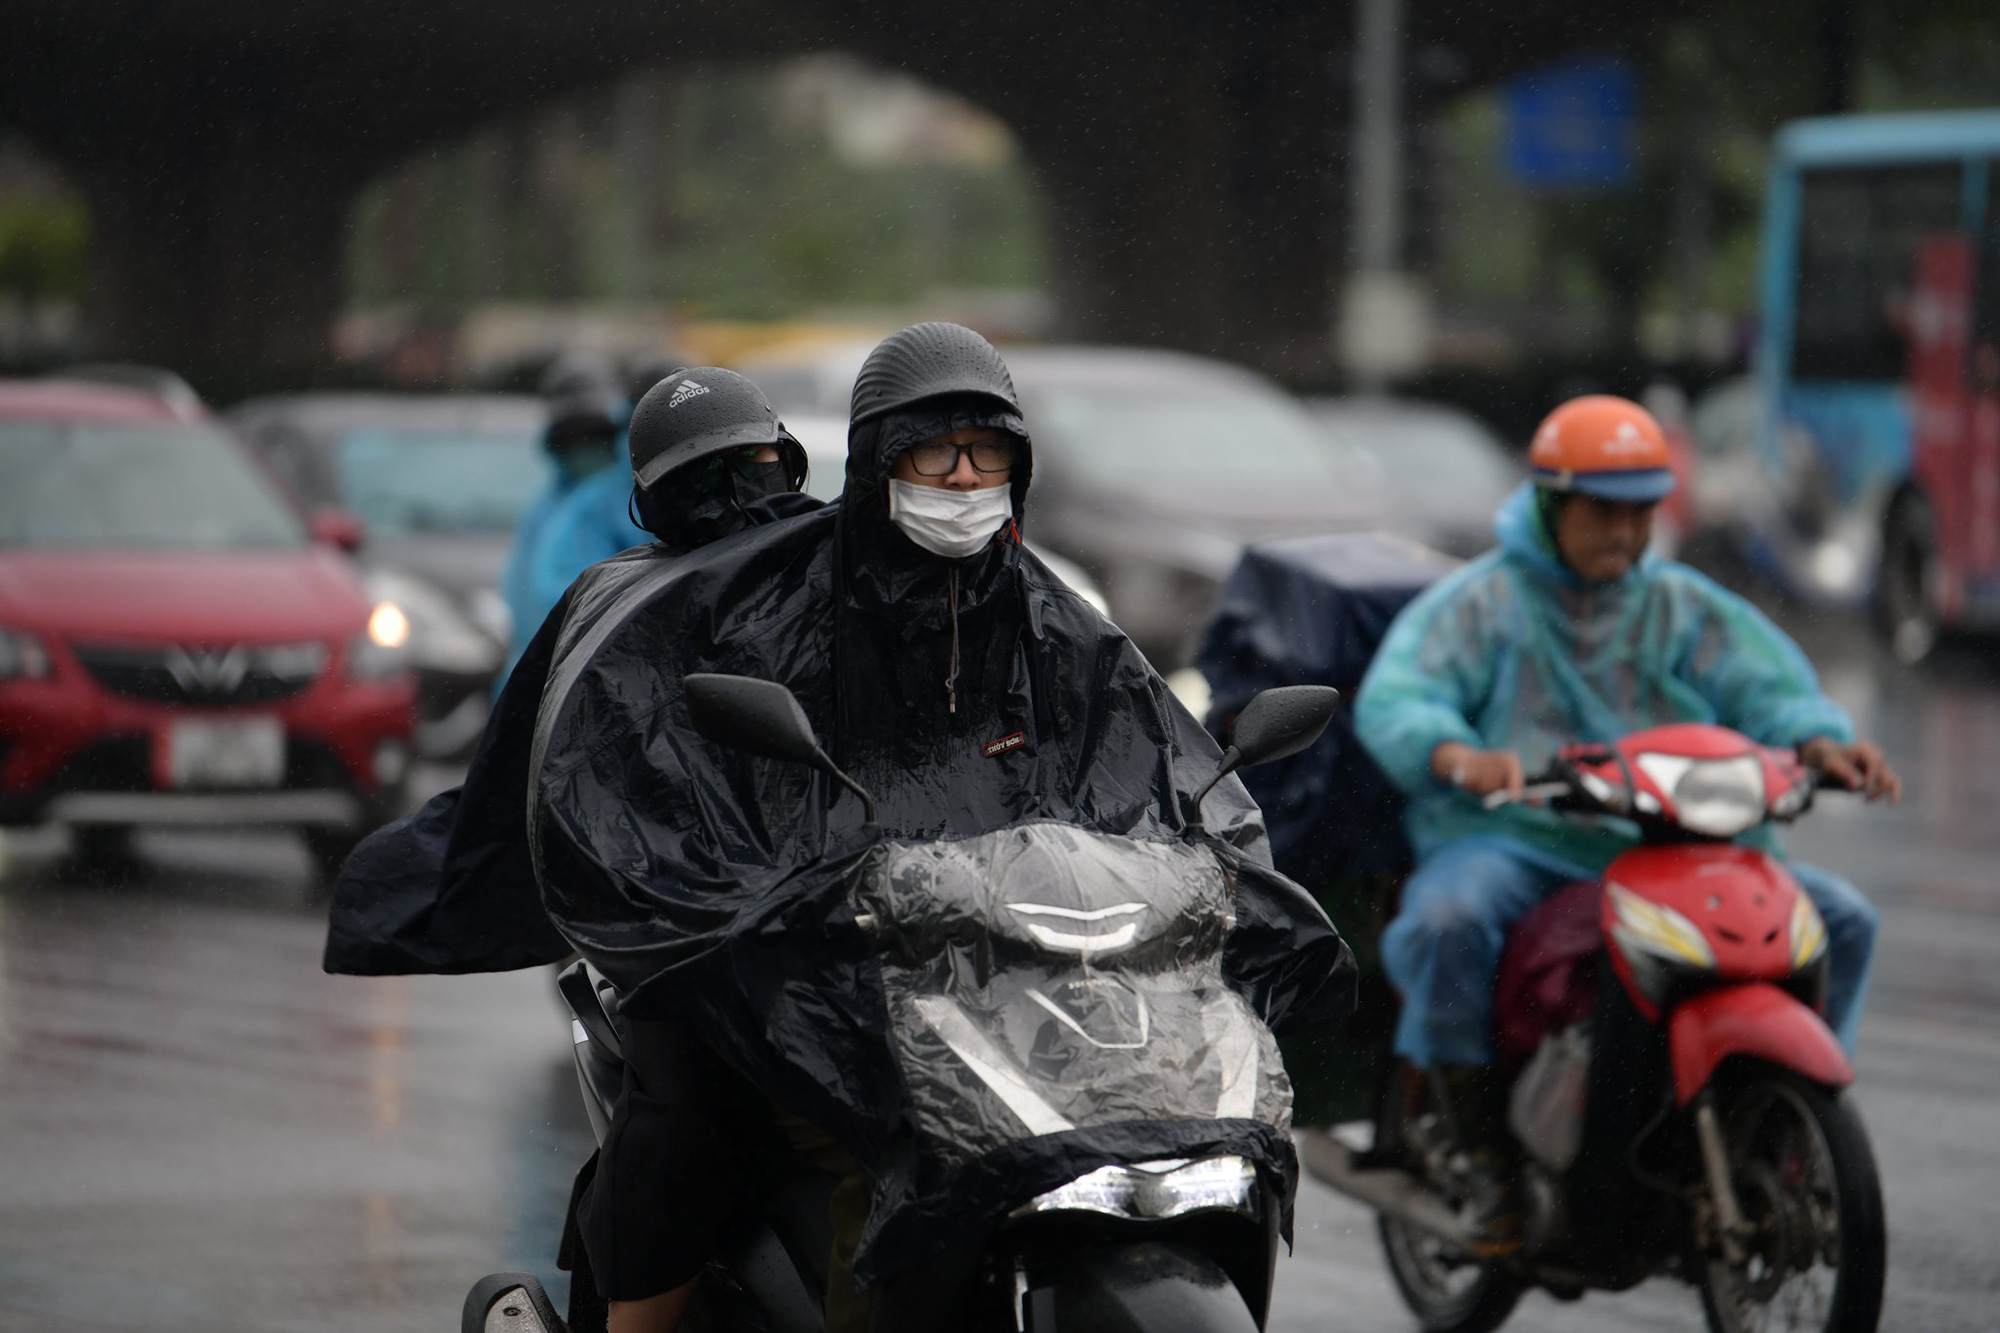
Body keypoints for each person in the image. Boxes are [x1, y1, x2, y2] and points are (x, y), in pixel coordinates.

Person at [527, 323, 1354, 1332]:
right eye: (936, 452)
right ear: (880, 462)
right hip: (825, 954)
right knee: (711, 1111)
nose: (963, 478)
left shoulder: (1052, 617)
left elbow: (1151, 758)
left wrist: (1212, 857)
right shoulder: (781, 611)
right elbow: (706, 784)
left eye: (986, 452)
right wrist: (785, 888)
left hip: (1012, 959)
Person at [1353, 394, 1900, 1248]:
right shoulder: (1482, 603)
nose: (1625, 531)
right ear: (1550, 503)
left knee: (1838, 920)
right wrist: (1456, 755)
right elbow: (1399, 696)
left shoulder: (1680, 605)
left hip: (1677, 846)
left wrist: (1824, 742)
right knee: (1446, 921)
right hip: (1523, 842)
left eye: (1641, 510)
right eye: (1603, 509)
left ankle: (1782, 1124)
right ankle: (1484, 1147)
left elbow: (1772, 686)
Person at [324, 366, 813, 980]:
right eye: (702, 476)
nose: (733, 493)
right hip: (631, 794)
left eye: (750, 461)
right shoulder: (606, 565)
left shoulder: (826, 570)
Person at [498, 378, 648, 681]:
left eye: (595, 438)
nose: (585, 450)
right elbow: (552, 607)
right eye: (573, 440)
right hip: (571, 680)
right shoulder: (582, 508)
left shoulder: (618, 497)